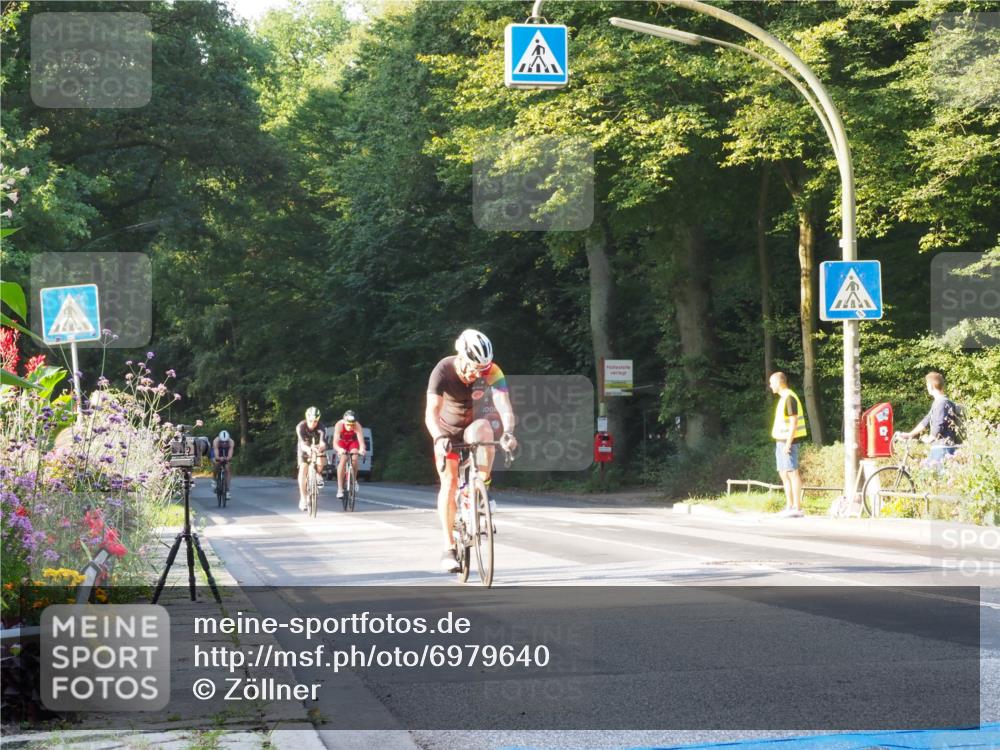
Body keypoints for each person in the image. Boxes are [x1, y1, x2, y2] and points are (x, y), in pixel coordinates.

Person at [425, 329, 517, 573]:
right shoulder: (443, 370)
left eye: (482, 368)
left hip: (471, 426)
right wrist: (439, 437)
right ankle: (448, 548)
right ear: (461, 356)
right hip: (446, 430)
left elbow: (503, 404)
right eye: (474, 367)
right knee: (450, 482)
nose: (478, 373)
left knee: (485, 430)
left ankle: (480, 489)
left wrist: (508, 432)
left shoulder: (492, 371)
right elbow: (430, 412)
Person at [897, 371, 964, 464]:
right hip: (938, 446)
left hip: (944, 447)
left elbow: (938, 425)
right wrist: (910, 434)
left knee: (936, 475)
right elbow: (926, 420)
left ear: (931, 386)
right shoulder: (938, 402)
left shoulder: (942, 403)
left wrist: (929, 438)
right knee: (926, 472)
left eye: (927, 385)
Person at [768, 372, 808, 518]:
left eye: (771, 383)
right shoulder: (784, 398)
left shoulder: (789, 398)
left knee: (792, 472)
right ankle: (789, 506)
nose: (770, 386)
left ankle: (797, 508)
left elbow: (794, 423)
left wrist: (788, 443)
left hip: (788, 441)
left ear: (779, 383)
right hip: (781, 441)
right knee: (784, 473)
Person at [296, 407, 327, 512]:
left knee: (321, 455)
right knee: (303, 468)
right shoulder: (300, 426)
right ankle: (303, 499)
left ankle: (318, 474)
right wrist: (309, 449)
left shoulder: (321, 427)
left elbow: (323, 442)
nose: (313, 423)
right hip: (305, 446)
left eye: (315, 421)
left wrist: (320, 448)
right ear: (306, 418)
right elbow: (302, 445)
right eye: (311, 421)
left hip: (317, 446)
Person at [332, 410, 367, 500]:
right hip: (342, 442)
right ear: (344, 422)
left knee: (354, 457)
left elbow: (361, 442)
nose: (350, 427)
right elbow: (335, 443)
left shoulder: (357, 425)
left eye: (352, 425)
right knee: (343, 458)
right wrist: (339, 449)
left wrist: (362, 449)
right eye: (348, 425)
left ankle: (354, 479)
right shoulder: (339, 425)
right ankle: (340, 489)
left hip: (352, 442)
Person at [212, 430, 235, 500]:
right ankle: (214, 480)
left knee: (228, 468)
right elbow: (216, 455)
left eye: (226, 442)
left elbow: (230, 454)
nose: (224, 443)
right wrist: (219, 458)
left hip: (226, 451)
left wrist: (227, 458)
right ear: (219, 439)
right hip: (218, 451)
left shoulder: (231, 442)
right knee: (216, 463)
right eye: (222, 442)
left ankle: (227, 490)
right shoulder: (216, 441)